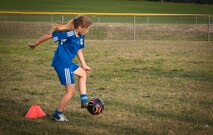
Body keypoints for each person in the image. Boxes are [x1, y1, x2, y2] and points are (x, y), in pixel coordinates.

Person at [28, 16, 93, 122]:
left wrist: (84, 65)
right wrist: (35, 44)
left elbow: (78, 50)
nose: (88, 31)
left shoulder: (81, 36)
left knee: (83, 73)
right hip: (62, 63)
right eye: (88, 28)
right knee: (70, 92)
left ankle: (84, 101)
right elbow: (50, 35)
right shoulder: (68, 34)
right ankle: (57, 115)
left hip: (68, 63)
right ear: (81, 27)